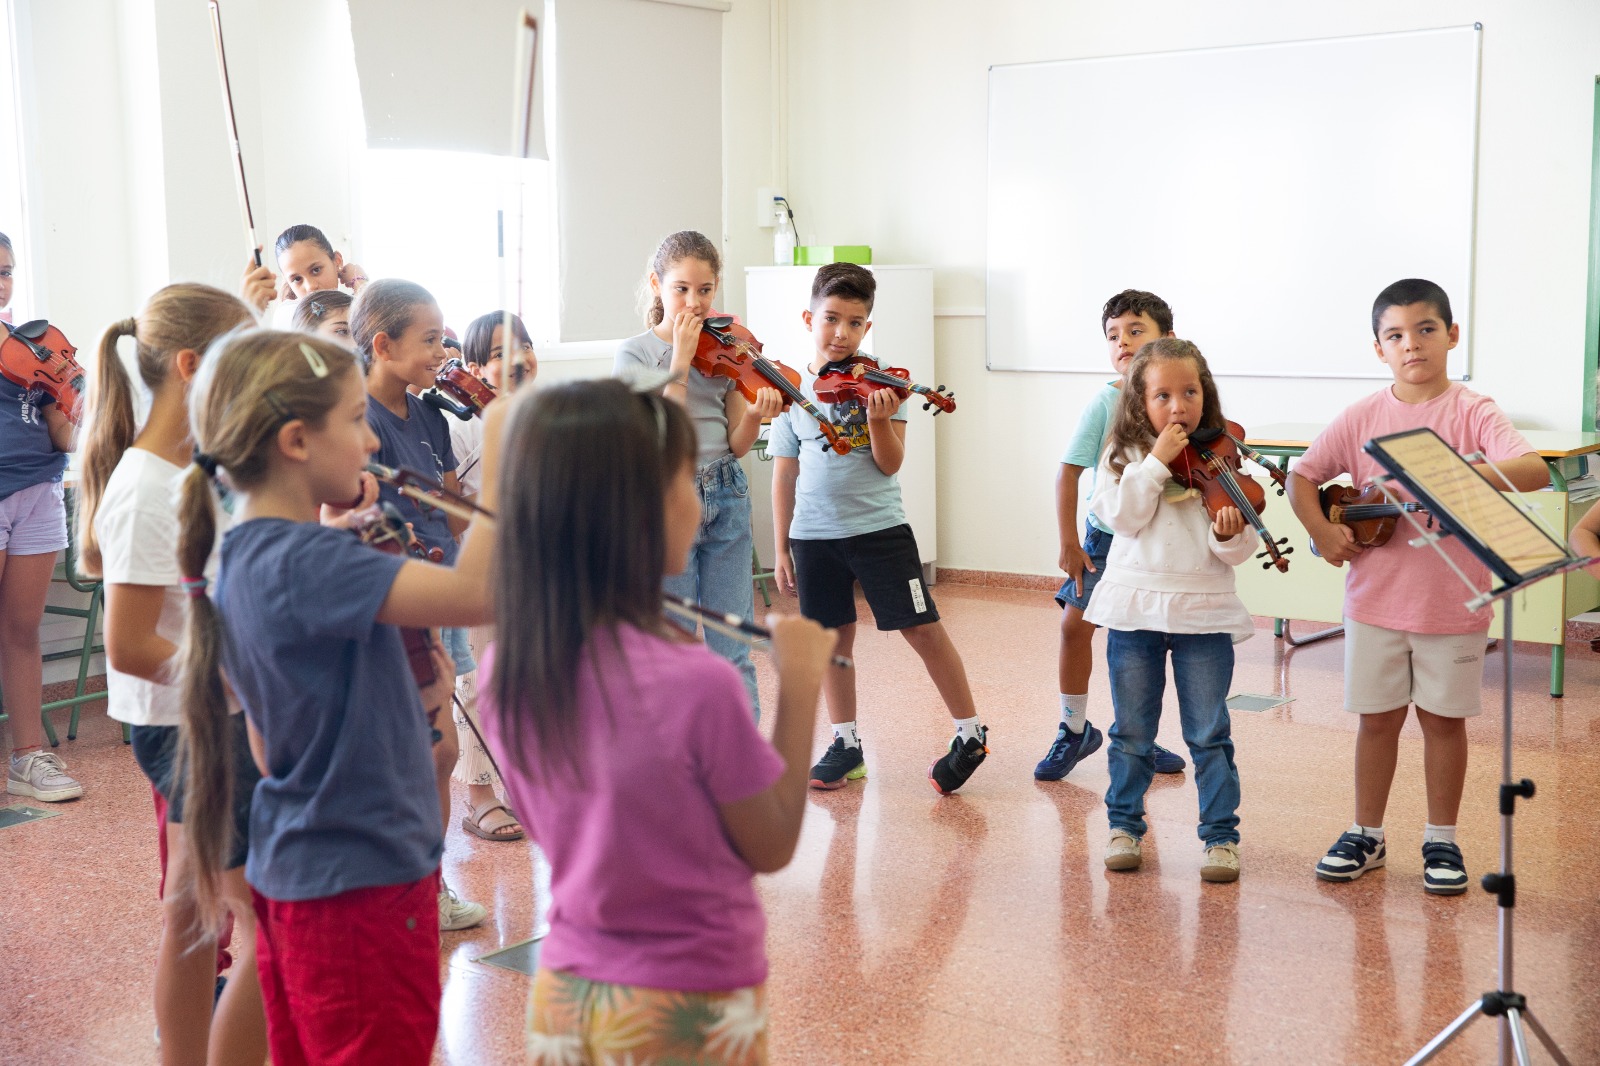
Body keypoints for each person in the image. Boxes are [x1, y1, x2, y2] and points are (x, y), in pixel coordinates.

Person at [478, 379, 835, 1064]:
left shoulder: (506, 671)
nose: (697, 502)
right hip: (688, 997)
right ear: (637, 513)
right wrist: (799, 688)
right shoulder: (696, 683)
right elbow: (771, 844)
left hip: (567, 988)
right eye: (686, 481)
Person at [175, 328, 495, 1066]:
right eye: (354, 421)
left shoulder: (251, 553)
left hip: (302, 866)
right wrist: (503, 451)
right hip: (366, 875)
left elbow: (269, 737)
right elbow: (480, 594)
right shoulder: (311, 562)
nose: (372, 443)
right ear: (294, 440)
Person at [1287, 278, 1547, 895]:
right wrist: (1322, 534)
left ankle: (1442, 840)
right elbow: (1304, 477)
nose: (1412, 345)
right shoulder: (1362, 416)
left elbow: (1532, 470)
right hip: (1375, 603)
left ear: (1452, 335)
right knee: (1376, 722)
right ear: (1378, 349)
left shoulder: (1472, 411)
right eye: (1395, 335)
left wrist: (1451, 472)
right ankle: (1366, 833)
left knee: (1442, 723)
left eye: (1426, 330)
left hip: (1453, 604)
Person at [76, 283, 268, 1064]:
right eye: (242, 366)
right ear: (192, 367)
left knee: (192, 912)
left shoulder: (193, 471)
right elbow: (129, 646)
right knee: (266, 927)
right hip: (193, 726)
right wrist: (245, 670)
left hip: (196, 720)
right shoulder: (148, 489)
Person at [770, 263, 988, 796]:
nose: (841, 332)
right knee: (831, 638)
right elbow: (784, 469)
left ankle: (970, 730)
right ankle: (846, 743)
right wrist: (781, 547)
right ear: (809, 318)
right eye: (831, 319)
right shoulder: (791, 387)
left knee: (922, 627)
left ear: (868, 327)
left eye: (855, 322)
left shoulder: (886, 382)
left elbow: (890, 464)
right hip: (814, 535)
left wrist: (877, 420)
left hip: (878, 530)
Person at [1083, 338, 1253, 882]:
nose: (1178, 406)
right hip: (1135, 611)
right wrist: (1155, 463)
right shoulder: (1123, 456)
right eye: (1162, 395)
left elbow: (1240, 547)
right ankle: (1125, 826)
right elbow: (1121, 519)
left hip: (1203, 613)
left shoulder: (1221, 454)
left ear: (1206, 395)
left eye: (1189, 392)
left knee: (1209, 733)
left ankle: (1221, 838)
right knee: (1132, 731)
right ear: (1140, 401)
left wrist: (1230, 534)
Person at [352, 278, 489, 927]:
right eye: (429, 340)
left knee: (440, 752)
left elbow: (450, 514)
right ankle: (404, 884)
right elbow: (344, 518)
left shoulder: (432, 414)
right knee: (416, 751)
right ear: (382, 344)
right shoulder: (358, 421)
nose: (444, 352)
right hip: (396, 599)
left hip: (441, 587)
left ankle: (429, 884)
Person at [614, 231, 781, 717]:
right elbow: (659, 436)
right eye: (682, 289)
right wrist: (682, 361)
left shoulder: (724, 350)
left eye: (705, 290)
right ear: (656, 285)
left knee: (734, 645)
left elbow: (735, 443)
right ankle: (683, 765)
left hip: (726, 488)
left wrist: (753, 415)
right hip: (670, 496)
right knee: (679, 644)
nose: (694, 302)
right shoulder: (636, 354)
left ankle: (742, 770)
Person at [1038, 289, 1188, 781]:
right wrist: (1068, 541)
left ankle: (1138, 736)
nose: (1122, 342)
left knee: (1141, 642)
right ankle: (1073, 728)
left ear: (1167, 339)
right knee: (1074, 628)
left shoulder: (1179, 400)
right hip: (1105, 537)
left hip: (1154, 541)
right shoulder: (1106, 401)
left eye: (1135, 331)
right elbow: (1068, 472)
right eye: (1113, 335)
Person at [445, 310, 539, 844]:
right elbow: (456, 501)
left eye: (523, 346)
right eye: (500, 353)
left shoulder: (540, 415)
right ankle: (480, 796)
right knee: (477, 679)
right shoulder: (463, 425)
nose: (518, 359)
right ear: (474, 367)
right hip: (479, 567)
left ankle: (520, 784)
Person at [0, 231, 82, 803]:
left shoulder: (34, 348)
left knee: (22, 628)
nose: (0, 282)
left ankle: (29, 757)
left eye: (5, 270)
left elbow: (61, 431)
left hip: (39, 489)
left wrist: (89, 414)